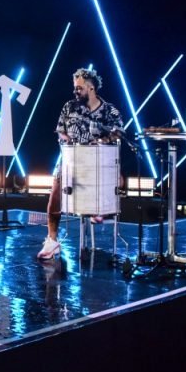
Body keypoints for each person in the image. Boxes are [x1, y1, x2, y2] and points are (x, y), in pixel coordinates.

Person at [37, 67, 124, 260]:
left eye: (79, 88)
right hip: (72, 160)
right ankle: (52, 241)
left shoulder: (110, 110)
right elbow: (60, 131)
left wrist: (102, 140)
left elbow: (118, 133)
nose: (75, 91)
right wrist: (67, 140)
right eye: (75, 87)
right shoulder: (69, 107)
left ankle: (98, 210)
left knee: (117, 180)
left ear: (91, 88)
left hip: (98, 163)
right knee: (55, 196)